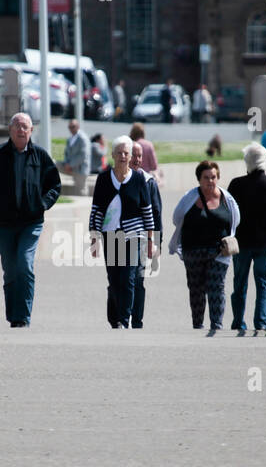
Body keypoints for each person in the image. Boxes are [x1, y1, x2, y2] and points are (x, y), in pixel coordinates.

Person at [0, 112, 61, 327]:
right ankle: (13, 315)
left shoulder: (40, 156)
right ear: (10, 130)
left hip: (31, 223)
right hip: (4, 223)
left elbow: (54, 186)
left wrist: (42, 204)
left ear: (31, 131)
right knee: (11, 271)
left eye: (25, 127)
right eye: (17, 126)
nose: (21, 130)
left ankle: (23, 317)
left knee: (25, 265)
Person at [89, 136, 156, 329]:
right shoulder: (103, 179)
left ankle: (124, 320)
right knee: (114, 279)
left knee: (128, 277)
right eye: (119, 152)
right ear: (112, 155)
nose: (123, 156)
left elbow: (147, 211)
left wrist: (150, 240)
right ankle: (115, 317)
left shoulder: (138, 179)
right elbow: (96, 211)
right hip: (110, 235)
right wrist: (94, 238)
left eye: (126, 153)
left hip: (134, 235)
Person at [169, 160, 240, 334]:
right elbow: (177, 218)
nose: (210, 181)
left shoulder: (227, 198)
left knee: (217, 288)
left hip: (218, 252)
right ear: (199, 179)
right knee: (196, 289)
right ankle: (198, 325)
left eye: (213, 177)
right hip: (193, 251)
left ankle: (216, 325)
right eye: (206, 178)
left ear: (218, 177)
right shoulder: (190, 197)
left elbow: (236, 219)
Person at [227, 143, 266, 335]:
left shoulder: (236, 185)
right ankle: (261, 322)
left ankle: (238, 321)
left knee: (240, 283)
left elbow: (228, 214)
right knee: (263, 282)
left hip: (242, 243)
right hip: (265, 243)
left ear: (247, 162)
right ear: (265, 162)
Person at [128, 140, 163, 328]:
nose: (137, 159)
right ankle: (121, 316)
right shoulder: (116, 179)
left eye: (140, 156)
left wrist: (157, 243)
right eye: (134, 155)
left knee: (138, 279)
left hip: (142, 238)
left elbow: (157, 214)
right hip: (117, 239)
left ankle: (137, 320)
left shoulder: (149, 182)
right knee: (119, 280)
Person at [60, 118, 91, 194]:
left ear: (78, 126)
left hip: (80, 169)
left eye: (73, 126)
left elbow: (83, 155)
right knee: (53, 164)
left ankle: (86, 205)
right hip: (70, 167)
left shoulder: (83, 138)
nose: (71, 129)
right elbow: (67, 153)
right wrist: (67, 164)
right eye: (69, 127)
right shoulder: (70, 139)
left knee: (81, 191)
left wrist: (70, 165)